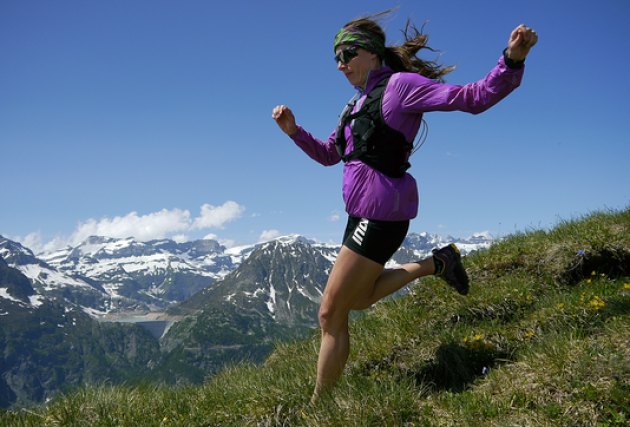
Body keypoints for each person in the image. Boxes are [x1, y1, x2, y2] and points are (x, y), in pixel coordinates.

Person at [271, 9, 538, 403]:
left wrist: (512, 60)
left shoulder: (400, 87)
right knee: (358, 299)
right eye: (336, 58)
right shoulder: (353, 105)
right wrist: (295, 133)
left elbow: (473, 97)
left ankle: (319, 407)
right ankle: (439, 262)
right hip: (361, 215)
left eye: (348, 54)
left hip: (382, 213)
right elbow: (331, 155)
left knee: (330, 313)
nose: (341, 64)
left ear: (373, 53)